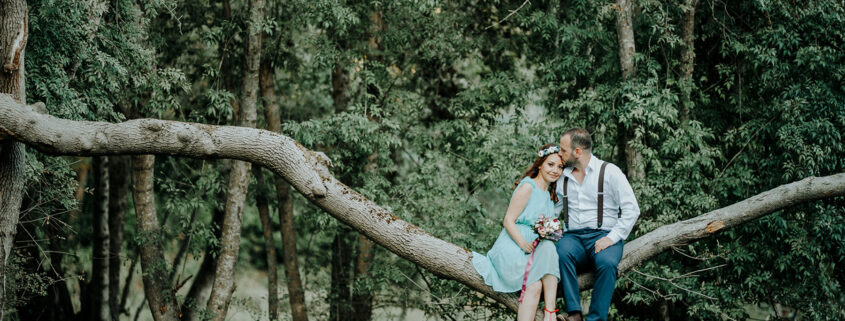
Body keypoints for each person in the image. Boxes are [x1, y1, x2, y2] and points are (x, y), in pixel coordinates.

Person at [554, 128, 640, 321]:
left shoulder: (610, 172)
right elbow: (552, 212)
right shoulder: (562, 178)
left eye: (563, 150)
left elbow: (632, 209)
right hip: (573, 238)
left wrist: (611, 238)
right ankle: (574, 313)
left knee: (608, 263)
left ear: (577, 152)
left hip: (604, 235)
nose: (560, 154)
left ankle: (595, 319)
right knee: (561, 252)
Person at [473, 143, 566, 321]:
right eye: (550, 164)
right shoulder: (528, 187)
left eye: (560, 167)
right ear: (540, 164)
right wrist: (523, 243)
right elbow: (508, 220)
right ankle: (551, 313)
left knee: (539, 277)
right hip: (513, 246)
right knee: (538, 277)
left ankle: (549, 313)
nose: (555, 170)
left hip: (533, 249)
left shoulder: (548, 195)